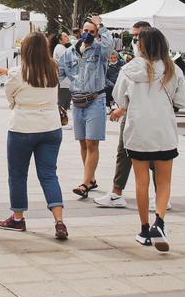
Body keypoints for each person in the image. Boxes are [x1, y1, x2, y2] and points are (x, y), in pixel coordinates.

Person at [110, 27, 185, 252]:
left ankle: (144, 229)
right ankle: (159, 223)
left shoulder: (128, 69)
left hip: (137, 132)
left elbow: (118, 97)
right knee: (163, 181)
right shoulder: (173, 70)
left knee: (141, 182)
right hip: (163, 131)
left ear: (140, 46)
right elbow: (182, 101)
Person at [0, 32, 68, 240]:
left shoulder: (17, 72)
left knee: (17, 174)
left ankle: (17, 218)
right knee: (49, 174)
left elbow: (11, 93)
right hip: (51, 127)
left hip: (23, 127)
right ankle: (59, 221)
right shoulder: (53, 69)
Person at [98, 21, 151, 209]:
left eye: (138, 36)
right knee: (123, 152)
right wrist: (123, 108)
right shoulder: (132, 64)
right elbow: (123, 94)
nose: (135, 40)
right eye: (133, 36)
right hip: (132, 116)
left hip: (153, 119)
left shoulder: (164, 65)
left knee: (155, 157)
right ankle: (116, 192)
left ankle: (159, 196)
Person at [60, 16, 114, 199]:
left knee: (92, 142)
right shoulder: (70, 52)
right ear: (80, 31)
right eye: (85, 31)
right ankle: (90, 179)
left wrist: (101, 26)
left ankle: (85, 183)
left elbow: (109, 45)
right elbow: (59, 74)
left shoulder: (100, 50)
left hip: (96, 99)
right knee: (82, 142)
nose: (88, 34)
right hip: (77, 102)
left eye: (92, 31)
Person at [52, 33, 72, 126]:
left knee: (64, 100)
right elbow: (68, 62)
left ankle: (62, 120)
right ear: (60, 40)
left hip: (65, 79)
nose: (67, 37)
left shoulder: (62, 48)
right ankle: (60, 121)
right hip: (63, 79)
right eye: (65, 36)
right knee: (62, 101)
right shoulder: (60, 48)